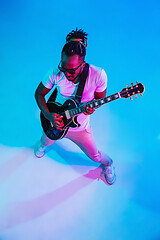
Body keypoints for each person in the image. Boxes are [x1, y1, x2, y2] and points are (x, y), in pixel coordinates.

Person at [34, 28, 116, 185]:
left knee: (95, 156)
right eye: (63, 68)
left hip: (80, 128)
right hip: (55, 120)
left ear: (82, 63)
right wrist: (48, 115)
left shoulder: (98, 75)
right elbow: (39, 94)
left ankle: (109, 164)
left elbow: (100, 99)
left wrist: (92, 108)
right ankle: (44, 144)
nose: (66, 74)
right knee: (45, 140)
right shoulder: (55, 72)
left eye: (71, 71)